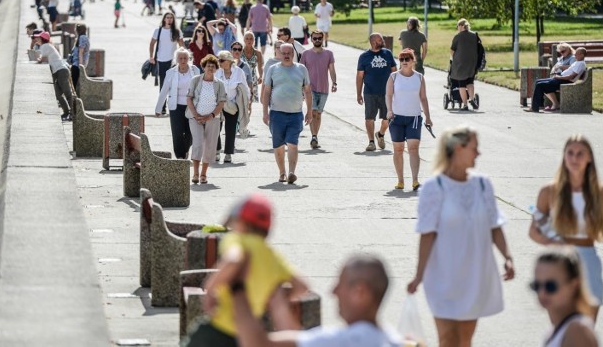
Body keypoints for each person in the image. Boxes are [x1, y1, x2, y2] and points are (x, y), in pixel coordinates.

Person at [408, 125, 515, 347]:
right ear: (458, 148)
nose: (478, 153)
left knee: (465, 340)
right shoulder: (433, 187)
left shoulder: (483, 185)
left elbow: (494, 225)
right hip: (442, 277)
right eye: (475, 148)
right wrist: (419, 275)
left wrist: (507, 257)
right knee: (447, 339)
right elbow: (426, 234)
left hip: (474, 276)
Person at [182, 193, 308, 347]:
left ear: (241, 222)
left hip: (219, 329)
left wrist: (210, 290)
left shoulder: (237, 240)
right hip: (248, 335)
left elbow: (233, 259)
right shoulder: (273, 256)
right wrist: (270, 298)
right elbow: (302, 286)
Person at [528, 135, 603, 322]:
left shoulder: (601, 193)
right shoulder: (549, 191)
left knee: (586, 329)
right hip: (560, 265)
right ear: (564, 157)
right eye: (570, 153)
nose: (574, 158)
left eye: (580, 154)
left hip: (589, 261)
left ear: (589, 157)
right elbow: (533, 231)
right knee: (563, 329)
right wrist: (554, 243)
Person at [231, 254, 401, 347]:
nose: (333, 292)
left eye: (339, 284)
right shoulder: (394, 338)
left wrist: (237, 287)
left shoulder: (346, 341)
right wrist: (278, 304)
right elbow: (302, 339)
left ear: (360, 292)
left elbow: (259, 344)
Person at [263, 43, 313, 184]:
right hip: (276, 114)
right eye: (283, 53)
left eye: (288, 53)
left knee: (292, 143)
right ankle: (282, 172)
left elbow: (308, 91)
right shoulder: (273, 69)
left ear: (293, 54)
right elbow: (267, 91)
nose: (286, 55)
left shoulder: (301, 69)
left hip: (295, 114)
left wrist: (309, 111)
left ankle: (292, 172)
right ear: (279, 53)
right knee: (278, 145)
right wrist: (265, 113)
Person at [531, 247, 599, 347]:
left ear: (574, 285)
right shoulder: (555, 330)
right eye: (536, 286)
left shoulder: (577, 331)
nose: (542, 292)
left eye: (551, 286)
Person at [385, 49, 432, 191]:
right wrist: (389, 110)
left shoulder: (419, 77)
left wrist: (428, 117)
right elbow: (388, 95)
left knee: (413, 148)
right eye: (402, 59)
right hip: (396, 118)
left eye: (407, 59)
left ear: (413, 61)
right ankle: (400, 180)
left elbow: (423, 98)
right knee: (398, 149)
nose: (404, 62)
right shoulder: (393, 77)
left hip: (414, 118)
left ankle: (415, 181)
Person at [186, 55, 227, 185]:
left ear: (216, 69)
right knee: (197, 143)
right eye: (208, 65)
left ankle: (204, 173)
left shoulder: (219, 83)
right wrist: (195, 114)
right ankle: (195, 173)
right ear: (203, 67)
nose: (210, 68)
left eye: (213, 66)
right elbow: (189, 98)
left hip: (212, 118)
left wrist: (212, 115)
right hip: (195, 117)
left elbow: (221, 102)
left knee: (210, 145)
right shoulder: (196, 80)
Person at [155, 48, 201, 159]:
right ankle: (180, 156)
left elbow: (200, 88)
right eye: (180, 58)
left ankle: (185, 150)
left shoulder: (195, 70)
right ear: (176, 59)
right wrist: (158, 108)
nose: (183, 60)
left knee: (190, 132)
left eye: (185, 58)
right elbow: (164, 90)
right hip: (175, 107)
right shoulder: (171, 73)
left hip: (191, 107)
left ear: (189, 59)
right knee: (177, 132)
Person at [356, 33, 397, 152]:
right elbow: (359, 76)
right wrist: (358, 93)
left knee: (387, 119)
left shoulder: (387, 53)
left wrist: (396, 89)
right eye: (380, 39)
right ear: (373, 42)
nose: (383, 41)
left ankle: (380, 134)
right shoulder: (364, 57)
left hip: (387, 93)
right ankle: (371, 142)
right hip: (370, 92)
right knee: (369, 118)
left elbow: (394, 71)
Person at [299, 30, 336, 149]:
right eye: (315, 38)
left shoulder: (329, 54)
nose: (317, 40)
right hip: (309, 88)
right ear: (311, 39)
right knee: (313, 112)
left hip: (324, 88)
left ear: (323, 38)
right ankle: (314, 136)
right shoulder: (306, 54)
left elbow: (331, 69)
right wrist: (301, 86)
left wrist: (334, 82)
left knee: (319, 114)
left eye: (319, 38)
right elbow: (301, 71)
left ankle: (315, 135)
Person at [215, 51, 250, 164]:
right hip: (218, 104)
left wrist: (246, 104)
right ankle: (216, 150)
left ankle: (228, 153)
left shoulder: (238, 72)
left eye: (221, 60)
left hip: (232, 105)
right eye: (218, 60)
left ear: (229, 61)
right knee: (215, 128)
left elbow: (245, 88)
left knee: (230, 130)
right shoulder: (217, 72)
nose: (219, 62)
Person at [526, 48, 587, 113]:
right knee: (538, 82)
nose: (575, 55)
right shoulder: (578, 62)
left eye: (577, 54)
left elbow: (571, 77)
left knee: (540, 85)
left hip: (565, 81)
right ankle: (539, 105)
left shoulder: (581, 64)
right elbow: (569, 70)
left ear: (582, 55)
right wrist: (558, 71)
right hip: (562, 78)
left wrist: (559, 77)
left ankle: (534, 108)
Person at [149, 12, 185, 115]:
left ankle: (174, 106)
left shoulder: (177, 31)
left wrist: (183, 59)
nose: (169, 20)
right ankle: (162, 107)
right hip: (161, 60)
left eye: (171, 18)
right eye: (167, 18)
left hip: (173, 61)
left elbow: (181, 46)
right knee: (163, 85)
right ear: (164, 19)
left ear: (173, 20)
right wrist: (151, 56)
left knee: (175, 84)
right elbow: (152, 44)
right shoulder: (158, 31)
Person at [34, 31, 74, 121]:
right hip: (59, 70)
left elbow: (43, 59)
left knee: (67, 93)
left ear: (43, 39)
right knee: (58, 94)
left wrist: (37, 59)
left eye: (38, 38)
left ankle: (73, 113)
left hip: (61, 71)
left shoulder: (45, 46)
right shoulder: (47, 46)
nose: (36, 39)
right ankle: (66, 112)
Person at [450, 18, 479, 111]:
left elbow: (452, 50)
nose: (457, 28)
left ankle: (465, 105)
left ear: (462, 26)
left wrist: (454, 59)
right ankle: (472, 98)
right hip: (472, 63)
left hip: (460, 64)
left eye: (458, 25)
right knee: (470, 82)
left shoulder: (457, 36)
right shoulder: (474, 35)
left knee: (461, 84)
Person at [242, 31, 264, 104]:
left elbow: (260, 66)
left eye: (251, 39)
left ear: (254, 40)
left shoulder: (258, 53)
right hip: (241, 77)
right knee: (241, 98)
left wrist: (261, 76)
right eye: (247, 38)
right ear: (244, 40)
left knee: (251, 99)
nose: (249, 40)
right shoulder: (239, 51)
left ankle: (248, 112)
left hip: (253, 78)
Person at [70, 23, 90, 90]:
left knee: (74, 87)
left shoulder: (82, 38)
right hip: (75, 65)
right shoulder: (79, 38)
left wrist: (81, 67)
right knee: (74, 87)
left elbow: (81, 53)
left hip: (77, 66)